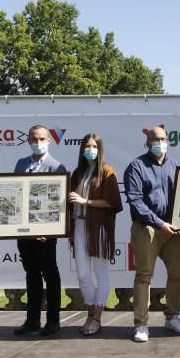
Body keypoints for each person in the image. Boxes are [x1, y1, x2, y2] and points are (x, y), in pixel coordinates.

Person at [124, 125, 180, 343]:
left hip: (174, 229)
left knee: (177, 273)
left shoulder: (176, 164)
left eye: (162, 138)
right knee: (144, 276)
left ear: (168, 140)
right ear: (147, 143)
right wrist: (159, 223)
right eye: (154, 139)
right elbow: (135, 201)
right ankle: (141, 324)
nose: (159, 142)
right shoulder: (136, 166)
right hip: (147, 228)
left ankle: (172, 317)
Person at [67, 133, 123, 336]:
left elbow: (113, 203)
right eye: (86, 146)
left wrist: (85, 201)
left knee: (101, 273)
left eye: (93, 146)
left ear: (100, 149)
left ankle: (96, 317)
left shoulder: (107, 172)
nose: (90, 150)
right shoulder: (78, 172)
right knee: (82, 274)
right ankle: (91, 311)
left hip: (99, 227)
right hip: (79, 225)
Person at [14, 125, 67, 336]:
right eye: (34, 139)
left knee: (50, 275)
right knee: (31, 275)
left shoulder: (57, 167)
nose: (38, 142)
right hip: (24, 231)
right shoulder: (21, 164)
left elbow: (59, 204)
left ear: (49, 140)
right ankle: (32, 321)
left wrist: (51, 231)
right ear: (28, 140)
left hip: (46, 235)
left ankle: (53, 321)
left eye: (42, 139)